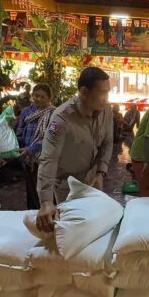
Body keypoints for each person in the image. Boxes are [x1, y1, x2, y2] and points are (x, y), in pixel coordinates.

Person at [36, 67, 113, 232]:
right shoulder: (62, 118)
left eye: (108, 93)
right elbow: (49, 159)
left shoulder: (106, 111)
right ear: (84, 92)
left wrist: (101, 171)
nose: (106, 99)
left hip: (92, 179)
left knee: (92, 226)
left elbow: (107, 142)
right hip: (67, 185)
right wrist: (46, 202)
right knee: (70, 230)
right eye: (102, 93)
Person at [16, 84, 56, 210]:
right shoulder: (26, 112)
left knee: (45, 189)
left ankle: (47, 213)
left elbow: (51, 138)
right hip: (28, 158)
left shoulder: (54, 114)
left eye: (43, 97)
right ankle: (33, 214)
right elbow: (20, 131)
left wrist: (32, 149)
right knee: (31, 189)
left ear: (49, 98)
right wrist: (15, 145)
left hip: (45, 158)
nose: (38, 99)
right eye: (36, 96)